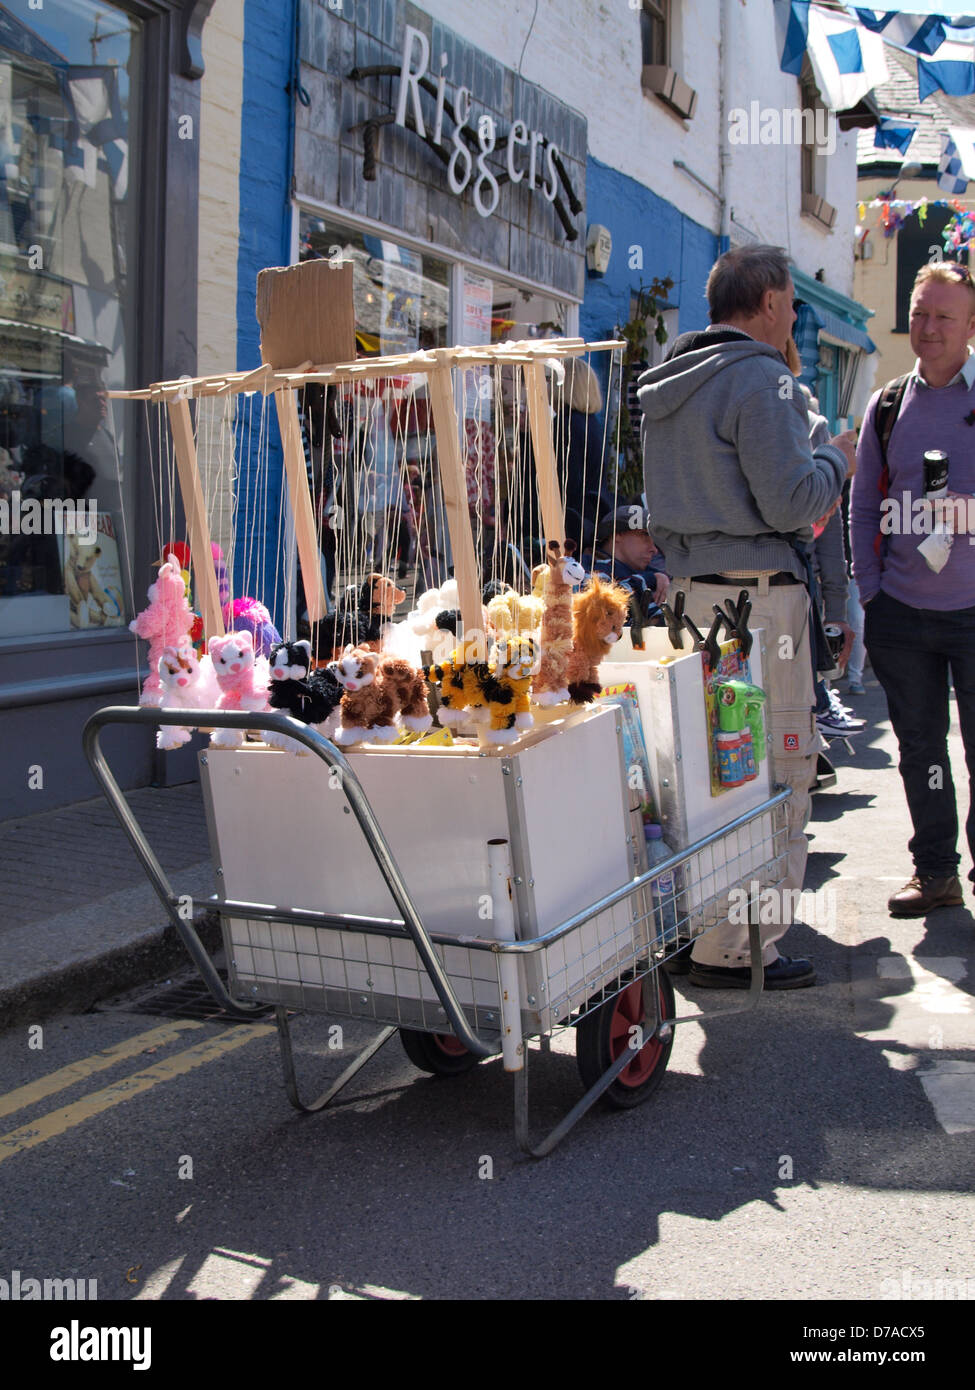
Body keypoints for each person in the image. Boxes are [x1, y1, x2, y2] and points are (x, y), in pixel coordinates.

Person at [638, 243, 857, 989]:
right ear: (766, 303)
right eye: (790, 301)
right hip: (758, 598)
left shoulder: (669, 382)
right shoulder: (759, 380)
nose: (793, 313)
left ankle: (710, 935)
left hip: (697, 598)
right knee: (779, 765)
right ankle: (741, 946)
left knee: (716, 768)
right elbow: (793, 501)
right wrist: (836, 456)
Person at [851, 260, 975, 917]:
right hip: (902, 613)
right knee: (920, 751)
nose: (926, 327)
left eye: (942, 317)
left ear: (969, 326)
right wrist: (869, 591)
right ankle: (934, 872)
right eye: (920, 312)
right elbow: (864, 505)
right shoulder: (888, 404)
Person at [591, 503, 670, 606]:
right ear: (617, 535)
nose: (654, 550)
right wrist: (653, 578)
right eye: (645, 535)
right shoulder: (589, 569)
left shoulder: (646, 573)